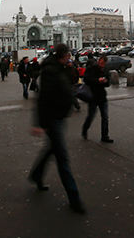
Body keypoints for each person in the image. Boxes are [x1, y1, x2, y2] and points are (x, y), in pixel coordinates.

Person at [28, 44, 86, 214]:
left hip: (60, 116)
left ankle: (37, 175)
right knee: (62, 158)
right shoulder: (49, 71)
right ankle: (74, 198)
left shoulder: (60, 67)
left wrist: (70, 69)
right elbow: (43, 98)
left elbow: (69, 85)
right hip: (52, 119)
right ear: (63, 55)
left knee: (52, 149)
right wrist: (40, 123)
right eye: (68, 55)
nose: (70, 58)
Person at [81, 55, 113, 143]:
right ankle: (85, 129)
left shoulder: (106, 69)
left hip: (102, 96)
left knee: (105, 117)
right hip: (93, 96)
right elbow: (86, 80)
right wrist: (97, 80)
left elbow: (109, 82)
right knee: (91, 115)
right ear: (99, 61)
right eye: (102, 63)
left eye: (104, 64)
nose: (103, 65)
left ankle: (105, 136)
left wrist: (105, 81)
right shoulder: (91, 68)